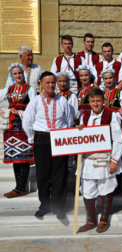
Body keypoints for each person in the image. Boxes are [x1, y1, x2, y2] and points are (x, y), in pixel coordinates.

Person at [23, 71, 73, 219]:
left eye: (53, 82)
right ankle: (44, 205)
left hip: (59, 139)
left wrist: (64, 136)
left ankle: (58, 207)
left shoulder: (63, 101)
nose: (51, 85)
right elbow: (27, 122)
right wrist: (32, 138)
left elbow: (68, 121)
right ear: (41, 84)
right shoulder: (35, 101)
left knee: (60, 173)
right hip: (41, 139)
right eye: (48, 82)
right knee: (43, 174)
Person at [76, 87, 122, 233]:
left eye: (98, 100)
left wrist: (114, 160)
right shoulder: (84, 116)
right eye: (92, 101)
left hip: (105, 159)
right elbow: (80, 137)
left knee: (106, 187)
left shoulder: (112, 115)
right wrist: (78, 130)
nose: (96, 103)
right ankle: (90, 220)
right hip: (88, 160)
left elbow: (118, 140)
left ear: (104, 101)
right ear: (89, 102)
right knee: (87, 190)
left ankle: (104, 220)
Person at [0, 63, 36, 198]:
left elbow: (34, 108)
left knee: (24, 157)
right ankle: (18, 187)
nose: (18, 76)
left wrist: (21, 111)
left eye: (20, 73)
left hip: (25, 125)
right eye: (15, 74)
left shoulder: (30, 89)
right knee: (15, 157)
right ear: (12, 76)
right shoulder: (8, 89)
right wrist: (3, 113)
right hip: (12, 126)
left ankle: (21, 187)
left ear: (23, 74)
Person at [101, 68, 122, 194]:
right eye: (106, 78)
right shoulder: (100, 93)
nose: (108, 80)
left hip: (116, 127)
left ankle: (118, 185)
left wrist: (115, 113)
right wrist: (115, 110)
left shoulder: (120, 93)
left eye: (110, 78)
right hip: (102, 129)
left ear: (115, 79)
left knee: (116, 154)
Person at [56, 72, 78, 170]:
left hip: (67, 126)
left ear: (68, 82)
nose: (62, 83)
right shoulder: (55, 95)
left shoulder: (72, 96)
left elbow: (75, 113)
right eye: (60, 81)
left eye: (65, 81)